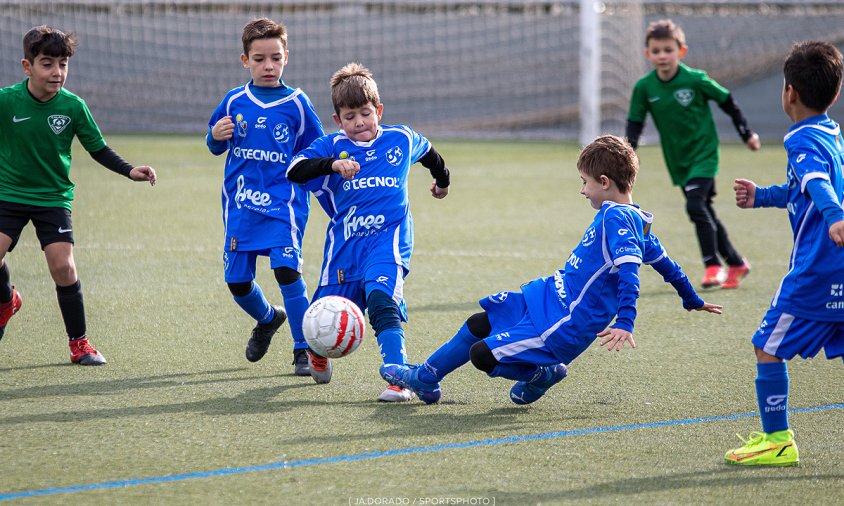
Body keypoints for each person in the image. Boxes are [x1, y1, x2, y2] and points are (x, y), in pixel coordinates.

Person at [380, 135, 721, 405]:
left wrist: (626, 320)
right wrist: (690, 299)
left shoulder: (619, 217)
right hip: (548, 296)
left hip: (563, 322)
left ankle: (541, 375)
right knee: (479, 322)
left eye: (585, 181)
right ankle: (427, 376)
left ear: (604, 182)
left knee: (482, 355)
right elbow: (669, 267)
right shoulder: (633, 220)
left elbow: (631, 269)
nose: (582, 189)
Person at [287, 63, 450, 402]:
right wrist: (331, 165)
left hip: (387, 242)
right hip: (344, 246)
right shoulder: (331, 146)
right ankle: (319, 352)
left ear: (379, 110)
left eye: (365, 113)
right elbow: (295, 170)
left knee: (381, 299)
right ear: (338, 120)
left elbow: (431, 154)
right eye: (350, 117)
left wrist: (442, 181)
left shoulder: (400, 139)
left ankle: (398, 379)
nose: (359, 122)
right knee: (318, 318)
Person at [0, 25, 157, 365]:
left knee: (63, 267)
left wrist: (129, 170)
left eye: (63, 64)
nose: (57, 72)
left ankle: (79, 343)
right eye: (47, 63)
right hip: (8, 194)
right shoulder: (6, 101)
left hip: (53, 198)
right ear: (27, 67)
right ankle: (6, 301)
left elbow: (98, 149)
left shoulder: (73, 107)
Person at [724, 41, 844, 467]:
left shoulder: (799, 141)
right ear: (835, 93)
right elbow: (802, 189)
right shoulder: (831, 132)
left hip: (817, 269)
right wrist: (763, 196)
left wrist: (834, 217)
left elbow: (817, 183)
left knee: (766, 346)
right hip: (840, 265)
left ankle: (777, 439)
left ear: (789, 92)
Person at [206, 18, 325, 376]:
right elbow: (213, 144)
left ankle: (303, 349)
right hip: (242, 205)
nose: (268, 65)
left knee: (287, 272)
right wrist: (215, 134)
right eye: (259, 59)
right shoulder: (234, 100)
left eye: (275, 57)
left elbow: (315, 150)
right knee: (237, 282)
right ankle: (268, 318)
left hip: (284, 205)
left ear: (286, 56)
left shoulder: (297, 104)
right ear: (245, 60)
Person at [626, 19, 760, 290]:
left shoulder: (695, 80)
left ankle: (712, 265)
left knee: (695, 206)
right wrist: (625, 156)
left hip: (704, 155)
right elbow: (635, 125)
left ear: (681, 51)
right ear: (647, 54)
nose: (662, 56)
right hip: (679, 161)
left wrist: (746, 134)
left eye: (668, 50)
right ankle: (736, 262)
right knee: (704, 210)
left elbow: (727, 101)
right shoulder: (644, 88)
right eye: (656, 51)